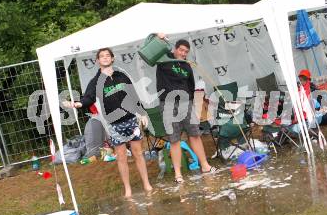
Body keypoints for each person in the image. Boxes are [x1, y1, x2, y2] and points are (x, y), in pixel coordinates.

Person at [63, 48, 152, 197]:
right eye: (101, 56)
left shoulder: (121, 76)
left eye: (107, 56)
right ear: (97, 61)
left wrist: (142, 113)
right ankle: (128, 190)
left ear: (112, 58)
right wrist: (76, 104)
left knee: (138, 153)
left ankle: (147, 184)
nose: (105, 58)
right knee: (122, 157)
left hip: (131, 120)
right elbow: (88, 99)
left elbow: (133, 95)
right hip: (114, 124)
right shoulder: (96, 81)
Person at [156, 34, 217, 183]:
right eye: (181, 50)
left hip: (186, 103)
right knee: (174, 139)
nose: (183, 53)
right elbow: (152, 51)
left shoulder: (187, 65)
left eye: (186, 52)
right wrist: (159, 37)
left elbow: (191, 85)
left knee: (195, 135)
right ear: (175, 50)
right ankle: (178, 174)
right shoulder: (164, 60)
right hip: (168, 104)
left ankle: (205, 166)